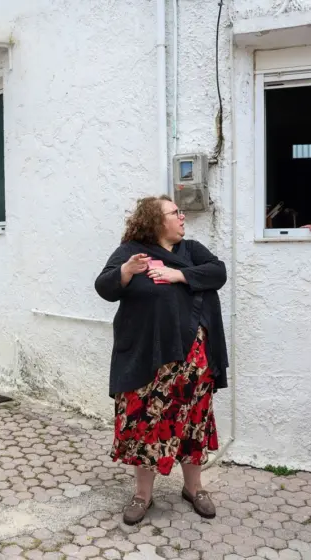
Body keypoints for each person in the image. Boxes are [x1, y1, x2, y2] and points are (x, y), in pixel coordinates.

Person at [95, 195, 229, 526]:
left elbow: (218, 273)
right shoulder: (131, 252)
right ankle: (142, 495)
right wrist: (126, 272)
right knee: (145, 425)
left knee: (193, 423)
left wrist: (177, 275)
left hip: (192, 362)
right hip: (147, 360)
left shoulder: (191, 251)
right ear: (156, 220)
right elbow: (104, 286)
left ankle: (194, 488)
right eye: (175, 213)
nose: (182, 217)